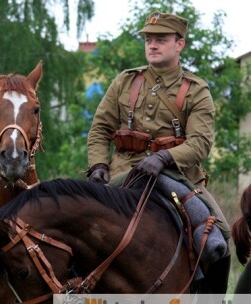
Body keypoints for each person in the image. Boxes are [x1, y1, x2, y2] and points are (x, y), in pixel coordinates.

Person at [86, 11, 230, 293]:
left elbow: (201, 143)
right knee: (72, 223)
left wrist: (164, 157)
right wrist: (98, 166)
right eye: (149, 39)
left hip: (178, 178)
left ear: (180, 44)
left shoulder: (196, 90)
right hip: (121, 176)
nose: (152, 45)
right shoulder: (124, 82)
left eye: (161, 40)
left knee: (219, 237)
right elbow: (100, 129)